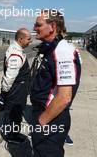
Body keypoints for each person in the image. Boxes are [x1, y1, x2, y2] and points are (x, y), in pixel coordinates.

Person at [30, 9, 81, 157]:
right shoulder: (51, 48)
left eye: (38, 25)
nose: (34, 28)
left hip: (51, 117)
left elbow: (64, 97)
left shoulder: (62, 51)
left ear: (52, 26)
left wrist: (42, 121)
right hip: (45, 114)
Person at [0, 28, 32, 143]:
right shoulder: (16, 54)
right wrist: (4, 93)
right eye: (29, 39)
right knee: (13, 112)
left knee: (15, 112)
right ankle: (10, 135)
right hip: (16, 90)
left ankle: (13, 132)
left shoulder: (18, 50)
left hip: (19, 89)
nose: (30, 41)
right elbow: (10, 77)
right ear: (20, 39)